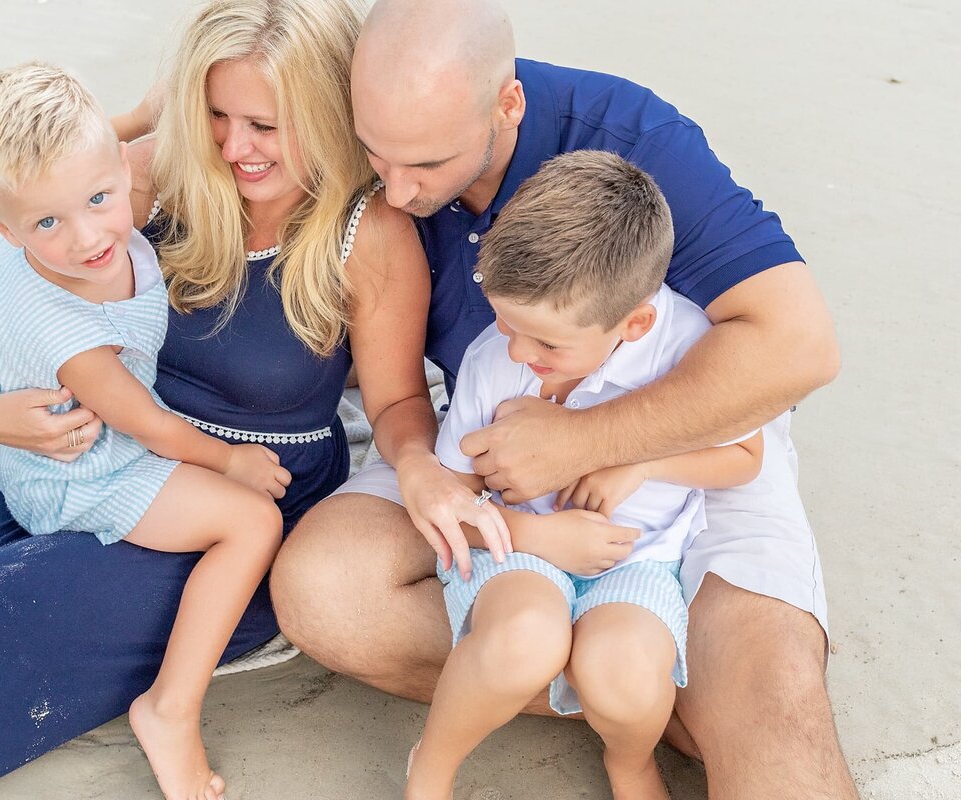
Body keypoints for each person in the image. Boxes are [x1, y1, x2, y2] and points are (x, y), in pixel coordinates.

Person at [0, 1, 435, 797]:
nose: (234, 146)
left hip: (250, 489)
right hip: (99, 444)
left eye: (265, 124)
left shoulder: (373, 237)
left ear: (323, 113)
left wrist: (422, 467)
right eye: (215, 114)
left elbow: (393, 404)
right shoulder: (151, 177)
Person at [271, 1, 858, 797]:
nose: (395, 191)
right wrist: (419, 465)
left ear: (506, 104)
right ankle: (631, 690)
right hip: (493, 436)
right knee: (324, 590)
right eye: (375, 153)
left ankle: (654, 685)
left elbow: (799, 345)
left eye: (427, 163)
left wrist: (590, 443)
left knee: (775, 717)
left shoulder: (631, 142)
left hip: (684, 445)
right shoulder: (386, 155)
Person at [0, 61, 297, 800]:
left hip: (86, 424)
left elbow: (75, 166)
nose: (86, 237)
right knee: (251, 524)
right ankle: (170, 708)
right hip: (82, 467)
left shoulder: (63, 197)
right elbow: (148, 427)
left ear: (120, 164)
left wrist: (144, 115)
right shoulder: (65, 327)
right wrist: (230, 461)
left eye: (100, 199)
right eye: (48, 223)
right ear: (4, 228)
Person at [405, 151, 764, 800]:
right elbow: (455, 501)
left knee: (624, 676)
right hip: (522, 547)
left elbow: (745, 456)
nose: (517, 351)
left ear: (635, 323)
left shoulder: (686, 345)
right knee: (523, 640)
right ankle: (431, 766)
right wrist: (540, 538)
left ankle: (629, 761)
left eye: (546, 344)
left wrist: (641, 461)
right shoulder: (497, 360)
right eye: (506, 323)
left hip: (641, 559)